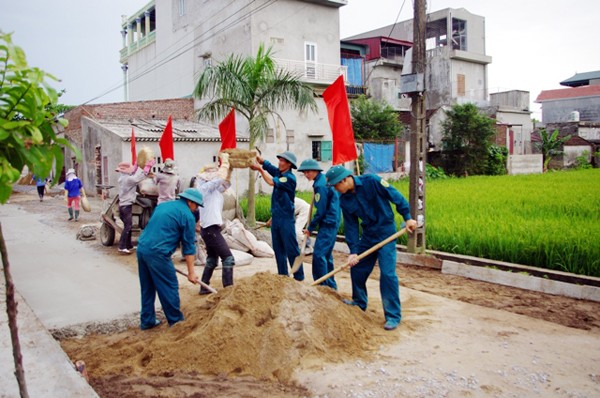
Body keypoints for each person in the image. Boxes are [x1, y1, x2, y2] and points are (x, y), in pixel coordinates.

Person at [325, 165, 417, 331]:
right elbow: (351, 226)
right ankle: (359, 303)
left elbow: (396, 197)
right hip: (368, 235)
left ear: (344, 180)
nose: (336, 190)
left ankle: (393, 315)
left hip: (386, 232)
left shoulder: (373, 182)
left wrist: (408, 218)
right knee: (357, 268)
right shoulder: (344, 199)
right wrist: (353, 251)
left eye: (336, 185)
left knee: (388, 274)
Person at [136, 188, 202, 329]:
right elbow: (189, 247)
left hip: (142, 248)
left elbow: (162, 227)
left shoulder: (163, 206)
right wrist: (191, 273)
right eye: (196, 205)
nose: (196, 209)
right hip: (158, 253)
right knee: (169, 286)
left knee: (148, 287)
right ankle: (176, 323)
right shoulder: (187, 216)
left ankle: (147, 321)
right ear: (190, 202)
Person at [250, 151, 304, 281]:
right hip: (277, 218)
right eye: (279, 160)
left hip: (286, 219)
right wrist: (261, 161)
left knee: (291, 249)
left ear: (289, 164)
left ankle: (299, 277)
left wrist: (260, 170)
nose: (279, 163)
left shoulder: (289, 178)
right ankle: (282, 276)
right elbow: (271, 168)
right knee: (278, 250)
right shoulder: (280, 174)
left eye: (282, 161)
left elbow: (270, 182)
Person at [195, 152, 235, 294]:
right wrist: (224, 162)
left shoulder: (213, 189)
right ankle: (228, 290)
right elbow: (219, 179)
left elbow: (225, 183)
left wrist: (229, 168)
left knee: (212, 259)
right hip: (210, 229)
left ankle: (204, 287)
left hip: (210, 229)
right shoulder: (204, 188)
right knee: (228, 258)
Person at [298, 159, 341, 289]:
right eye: (304, 172)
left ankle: (322, 286)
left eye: (309, 171)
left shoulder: (320, 185)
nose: (306, 174)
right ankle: (331, 286)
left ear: (316, 171)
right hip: (332, 220)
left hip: (328, 222)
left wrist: (310, 228)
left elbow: (321, 211)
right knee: (326, 255)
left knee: (319, 255)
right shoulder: (322, 181)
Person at [116, 159, 155, 254]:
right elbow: (139, 177)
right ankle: (121, 246)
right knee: (128, 226)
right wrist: (147, 167)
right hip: (126, 205)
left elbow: (132, 175)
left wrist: (136, 166)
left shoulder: (122, 178)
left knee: (128, 226)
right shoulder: (128, 179)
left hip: (123, 205)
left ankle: (128, 245)